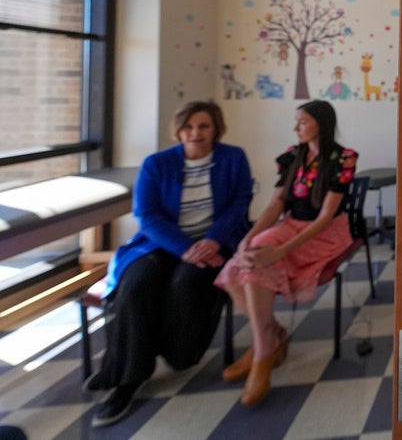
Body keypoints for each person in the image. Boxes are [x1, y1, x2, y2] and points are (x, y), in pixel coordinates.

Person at [86, 100, 253, 427]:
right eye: (189, 127)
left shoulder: (233, 158)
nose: (196, 133)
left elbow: (240, 202)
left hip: (213, 242)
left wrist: (213, 241)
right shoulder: (156, 164)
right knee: (136, 285)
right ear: (178, 130)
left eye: (204, 126)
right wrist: (185, 247)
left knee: (187, 282)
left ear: (216, 128)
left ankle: (178, 354)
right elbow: (146, 216)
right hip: (162, 243)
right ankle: (128, 377)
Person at [215, 99, 359, 406]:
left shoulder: (342, 159)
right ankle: (268, 336)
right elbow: (277, 204)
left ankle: (263, 353)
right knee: (235, 270)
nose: (296, 128)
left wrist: (279, 251)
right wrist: (249, 236)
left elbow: (324, 219)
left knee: (255, 269)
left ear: (322, 123)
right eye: (297, 121)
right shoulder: (293, 156)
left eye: (303, 122)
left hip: (325, 233)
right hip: (291, 224)